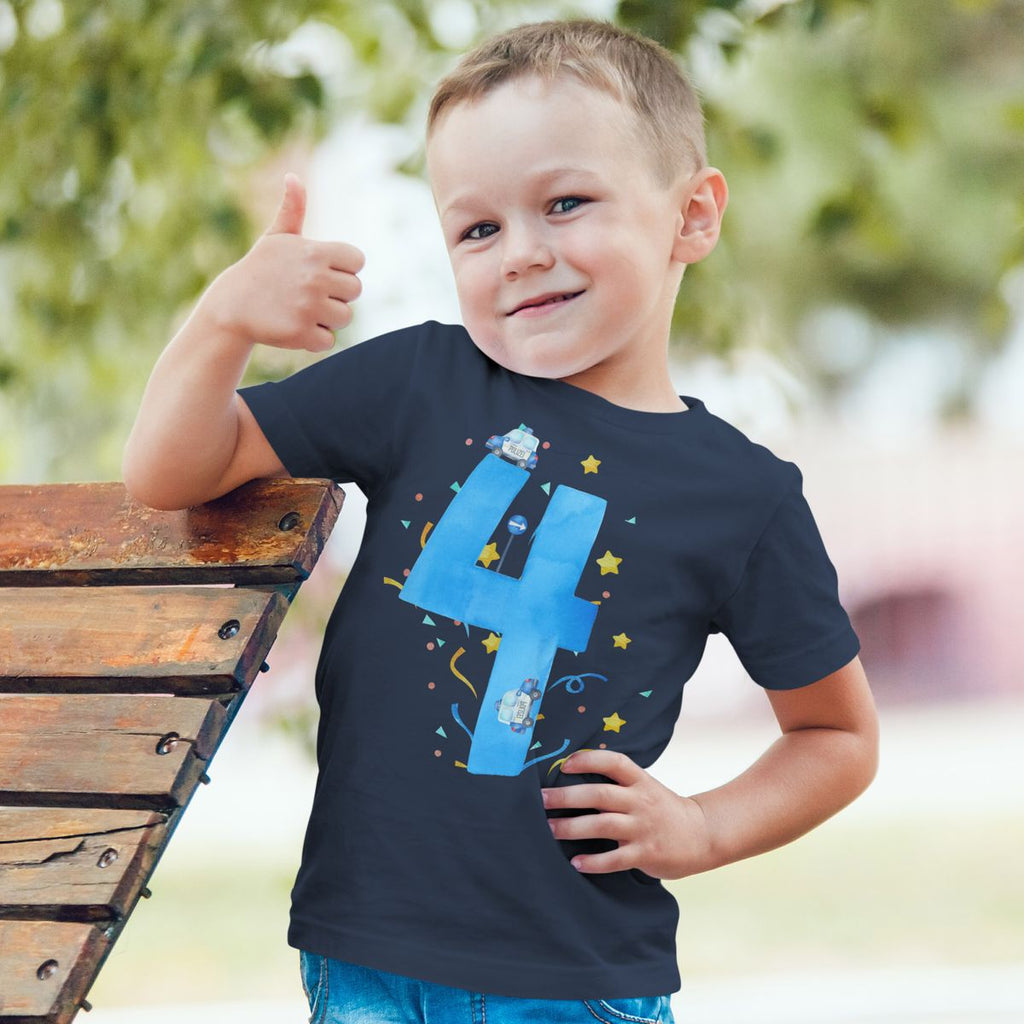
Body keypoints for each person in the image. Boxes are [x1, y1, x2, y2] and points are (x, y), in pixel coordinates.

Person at [123, 18, 878, 1024]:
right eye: (476, 229)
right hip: (365, 960)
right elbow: (171, 471)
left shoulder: (743, 493)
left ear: (691, 216)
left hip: (576, 979)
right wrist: (223, 318)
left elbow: (835, 734)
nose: (520, 254)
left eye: (565, 203)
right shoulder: (417, 383)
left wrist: (700, 827)